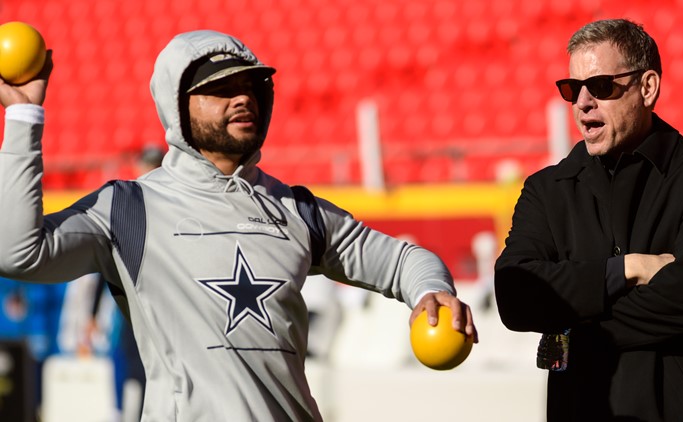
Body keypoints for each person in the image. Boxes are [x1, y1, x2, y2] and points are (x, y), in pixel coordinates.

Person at [0, 30, 477, 421]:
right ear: (176, 106)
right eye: (220, 89)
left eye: (251, 86)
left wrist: (429, 289)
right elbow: (17, 253)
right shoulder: (129, 207)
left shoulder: (299, 209)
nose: (243, 97)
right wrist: (24, 117)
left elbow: (403, 259)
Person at [494, 19, 683, 421]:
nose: (582, 103)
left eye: (600, 86)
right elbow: (516, 295)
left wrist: (573, 326)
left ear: (647, 87)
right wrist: (627, 269)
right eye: (571, 89)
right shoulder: (547, 190)